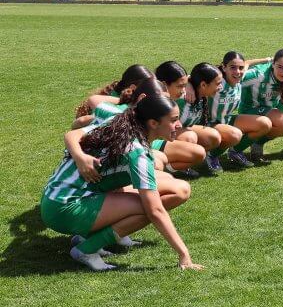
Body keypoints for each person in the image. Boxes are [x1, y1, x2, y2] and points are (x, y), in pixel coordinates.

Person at [41, 93, 202, 271]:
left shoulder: (119, 120)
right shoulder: (137, 152)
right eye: (173, 120)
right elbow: (155, 211)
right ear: (153, 123)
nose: (179, 125)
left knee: (172, 189)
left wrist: (80, 156)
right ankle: (86, 249)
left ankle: (89, 236)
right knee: (147, 207)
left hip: (55, 197)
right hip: (64, 207)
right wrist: (184, 254)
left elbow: (77, 127)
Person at [175, 62, 243, 175]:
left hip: (187, 129)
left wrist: (189, 83)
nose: (221, 87)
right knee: (190, 137)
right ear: (203, 85)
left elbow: (196, 74)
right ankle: (171, 165)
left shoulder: (202, 94)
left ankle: (201, 158)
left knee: (214, 136)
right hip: (170, 135)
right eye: (218, 84)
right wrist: (188, 84)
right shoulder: (182, 99)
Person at [208, 51, 273, 170]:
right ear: (224, 67)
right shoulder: (217, 81)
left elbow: (247, 63)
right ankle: (212, 155)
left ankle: (235, 152)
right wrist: (189, 86)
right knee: (234, 134)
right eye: (232, 67)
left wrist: (267, 59)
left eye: (240, 68)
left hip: (226, 119)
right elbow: (194, 77)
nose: (237, 71)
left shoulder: (240, 77)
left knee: (265, 124)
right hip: (209, 123)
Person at [74, 64, 155, 118]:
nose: (153, 90)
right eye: (149, 87)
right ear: (133, 88)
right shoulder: (112, 103)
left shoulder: (115, 94)